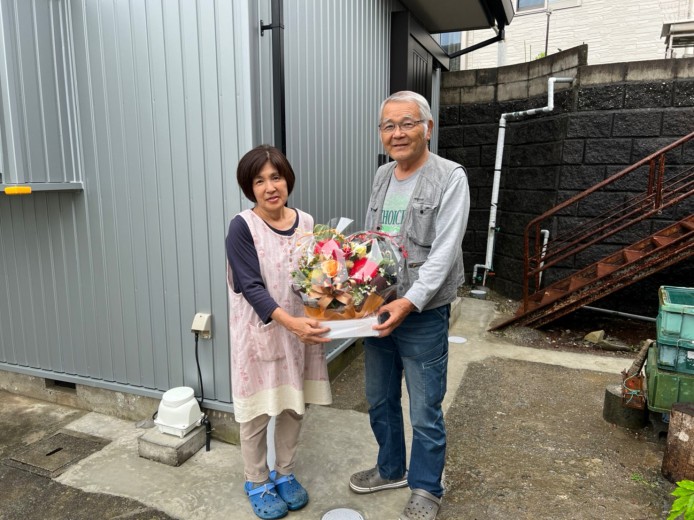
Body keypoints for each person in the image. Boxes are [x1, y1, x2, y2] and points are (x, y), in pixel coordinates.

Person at [348, 91, 470, 520]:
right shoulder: (383, 175)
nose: (397, 133)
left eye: (407, 123)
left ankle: (426, 488)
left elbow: (444, 252)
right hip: (379, 308)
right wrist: (356, 290)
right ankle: (390, 469)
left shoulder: (450, 176)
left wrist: (409, 302)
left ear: (427, 128)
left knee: (424, 409)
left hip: (422, 313)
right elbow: (373, 240)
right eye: (388, 126)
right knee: (379, 399)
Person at [226, 144, 332, 520]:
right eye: (259, 181)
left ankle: (284, 473)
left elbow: (314, 275)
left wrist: (334, 296)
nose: (270, 187)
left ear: (288, 180)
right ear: (249, 188)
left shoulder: (306, 222)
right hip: (262, 333)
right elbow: (250, 286)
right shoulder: (242, 226)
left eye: (276, 177)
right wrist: (291, 323)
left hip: (301, 334)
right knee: (256, 415)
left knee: (293, 408)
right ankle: (256, 480)